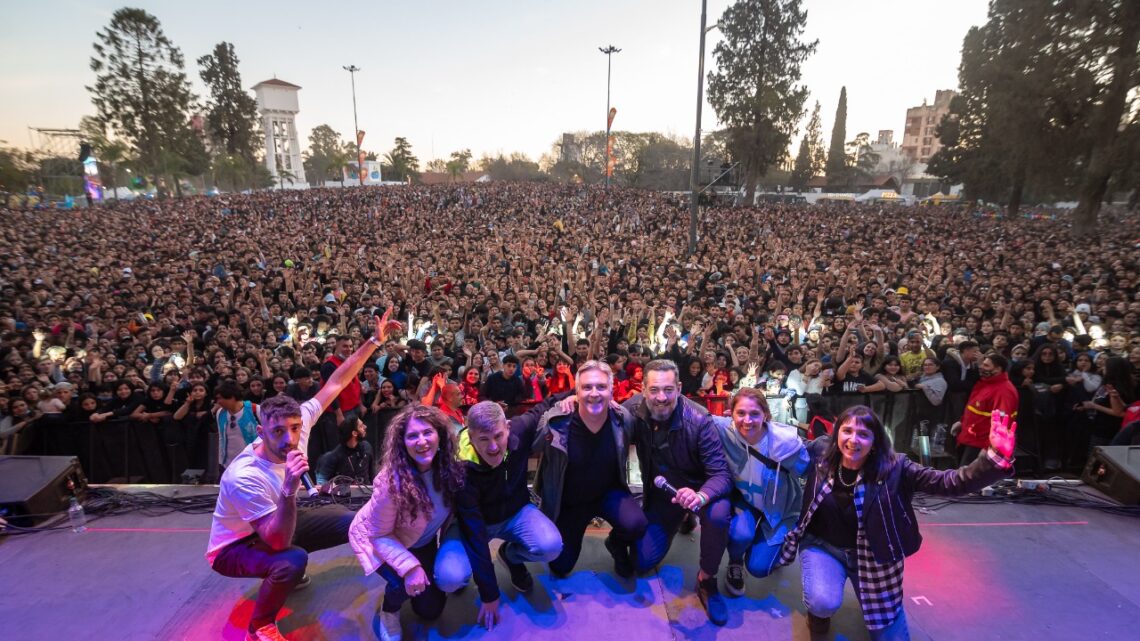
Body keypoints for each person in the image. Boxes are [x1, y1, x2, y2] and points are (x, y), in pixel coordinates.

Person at [207, 311, 401, 641]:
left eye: (294, 428)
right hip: (234, 546)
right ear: (260, 430)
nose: (289, 438)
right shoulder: (244, 475)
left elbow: (337, 381)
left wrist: (374, 342)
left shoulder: (304, 419)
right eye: (278, 431)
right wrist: (287, 490)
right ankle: (260, 626)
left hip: (274, 521)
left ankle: (393, 587)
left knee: (352, 521)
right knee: (290, 558)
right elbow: (277, 540)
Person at [778, 405, 1016, 639]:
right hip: (824, 548)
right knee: (822, 601)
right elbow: (780, 442)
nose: (853, 440)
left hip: (874, 556)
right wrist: (746, 425)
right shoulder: (821, 452)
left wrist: (992, 459)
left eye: (863, 434)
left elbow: (949, 482)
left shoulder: (896, 467)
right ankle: (819, 615)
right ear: (837, 433)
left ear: (875, 441)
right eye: (847, 431)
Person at [623, 358, 733, 625]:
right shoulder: (631, 411)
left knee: (719, 514)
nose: (662, 397)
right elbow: (597, 412)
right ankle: (681, 518)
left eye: (669, 390)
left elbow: (721, 474)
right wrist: (566, 403)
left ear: (680, 388)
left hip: (700, 492)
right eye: (655, 390)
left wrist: (699, 496)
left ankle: (707, 580)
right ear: (644, 389)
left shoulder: (699, 419)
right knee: (641, 561)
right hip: (664, 495)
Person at [348, 404, 469, 641]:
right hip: (377, 540)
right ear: (402, 442)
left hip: (418, 540)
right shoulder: (390, 481)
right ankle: (389, 610)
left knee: (431, 611)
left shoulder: (448, 467)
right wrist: (410, 568)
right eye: (412, 435)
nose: (422, 441)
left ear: (440, 435)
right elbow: (378, 534)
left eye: (427, 432)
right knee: (403, 585)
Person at [454, 398, 564, 631]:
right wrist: (489, 593)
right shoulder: (460, 470)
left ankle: (510, 556)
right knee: (450, 577)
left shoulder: (521, 428)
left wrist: (574, 396)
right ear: (471, 437)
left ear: (508, 428)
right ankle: (460, 574)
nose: (493, 447)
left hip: (516, 513)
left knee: (551, 546)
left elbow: (545, 404)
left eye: (498, 436)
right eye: (483, 439)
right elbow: (474, 533)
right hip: (480, 524)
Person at [534, 360, 647, 581]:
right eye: (587, 387)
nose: (594, 393)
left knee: (637, 525)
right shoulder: (556, 421)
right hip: (570, 502)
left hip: (608, 494)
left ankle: (615, 544)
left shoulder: (622, 418)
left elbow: (648, 401)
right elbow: (530, 443)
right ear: (576, 391)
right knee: (560, 566)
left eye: (601, 387)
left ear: (611, 391)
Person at [713, 388, 808, 597]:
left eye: (755, 413)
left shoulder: (785, 444)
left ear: (765, 414)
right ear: (731, 413)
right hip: (747, 501)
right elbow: (694, 413)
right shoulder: (724, 430)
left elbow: (812, 470)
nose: (747, 420)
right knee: (740, 535)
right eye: (741, 413)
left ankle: (766, 546)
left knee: (758, 567)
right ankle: (735, 562)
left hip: (781, 508)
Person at [953, 352, 1019, 465]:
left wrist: (990, 449)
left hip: (982, 444)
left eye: (986, 365)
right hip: (971, 438)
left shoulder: (1004, 391)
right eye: (982, 364)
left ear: (998, 369)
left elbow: (1003, 423)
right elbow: (975, 409)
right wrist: (962, 423)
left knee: (969, 478)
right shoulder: (985, 384)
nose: (981, 367)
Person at [314, 417, 375, 485]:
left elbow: (372, 473)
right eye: (361, 426)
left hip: (366, 493)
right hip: (345, 493)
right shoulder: (334, 456)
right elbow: (321, 481)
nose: (365, 427)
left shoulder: (367, 447)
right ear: (354, 433)